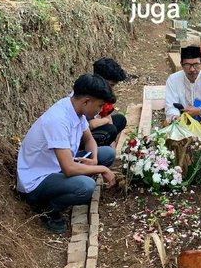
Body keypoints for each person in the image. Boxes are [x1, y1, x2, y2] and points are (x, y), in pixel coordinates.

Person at [17, 74, 117, 234]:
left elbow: (89, 139)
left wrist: (94, 160)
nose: (100, 111)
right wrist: (101, 169)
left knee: (107, 154)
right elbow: (69, 168)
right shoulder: (58, 120)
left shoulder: (76, 109)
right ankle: (49, 209)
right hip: (38, 180)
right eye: (99, 106)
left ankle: (69, 186)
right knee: (86, 186)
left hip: (58, 165)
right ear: (86, 101)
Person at [165, 46, 201, 122]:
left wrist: (200, 111)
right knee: (169, 122)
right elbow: (170, 106)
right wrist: (175, 116)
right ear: (182, 64)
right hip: (182, 119)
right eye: (187, 65)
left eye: (196, 64)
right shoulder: (173, 80)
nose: (192, 69)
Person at [90, 57, 127, 147]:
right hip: (83, 133)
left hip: (97, 122)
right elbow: (88, 125)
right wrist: (105, 121)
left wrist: (112, 140)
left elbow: (107, 114)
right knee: (110, 130)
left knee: (120, 120)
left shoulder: (103, 92)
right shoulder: (88, 93)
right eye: (111, 85)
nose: (112, 89)